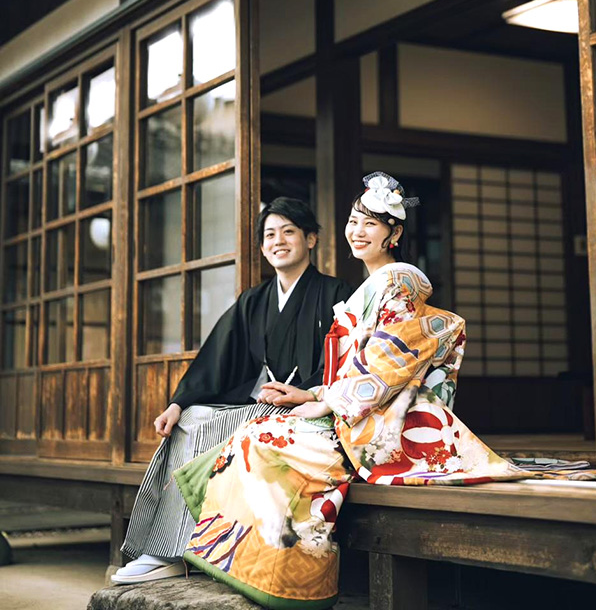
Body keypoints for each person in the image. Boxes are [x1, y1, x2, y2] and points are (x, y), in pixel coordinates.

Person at [173, 172, 530, 609]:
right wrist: (313, 396)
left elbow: (387, 367)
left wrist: (322, 400)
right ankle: (252, 564)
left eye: (371, 224)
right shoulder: (370, 286)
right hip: (355, 410)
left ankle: (288, 578)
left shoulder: (398, 285)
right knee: (252, 435)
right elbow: (356, 369)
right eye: (353, 221)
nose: (358, 232)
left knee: (264, 441)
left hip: (379, 424)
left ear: (393, 235)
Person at [112, 197, 351, 585]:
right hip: (264, 403)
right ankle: (165, 546)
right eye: (269, 235)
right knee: (190, 420)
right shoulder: (253, 301)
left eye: (289, 231)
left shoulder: (336, 293)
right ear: (262, 247)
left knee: (231, 426)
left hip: (308, 410)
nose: (278, 241)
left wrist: (309, 394)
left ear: (311, 239)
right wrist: (179, 402)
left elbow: (349, 363)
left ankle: (182, 550)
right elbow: (217, 358)